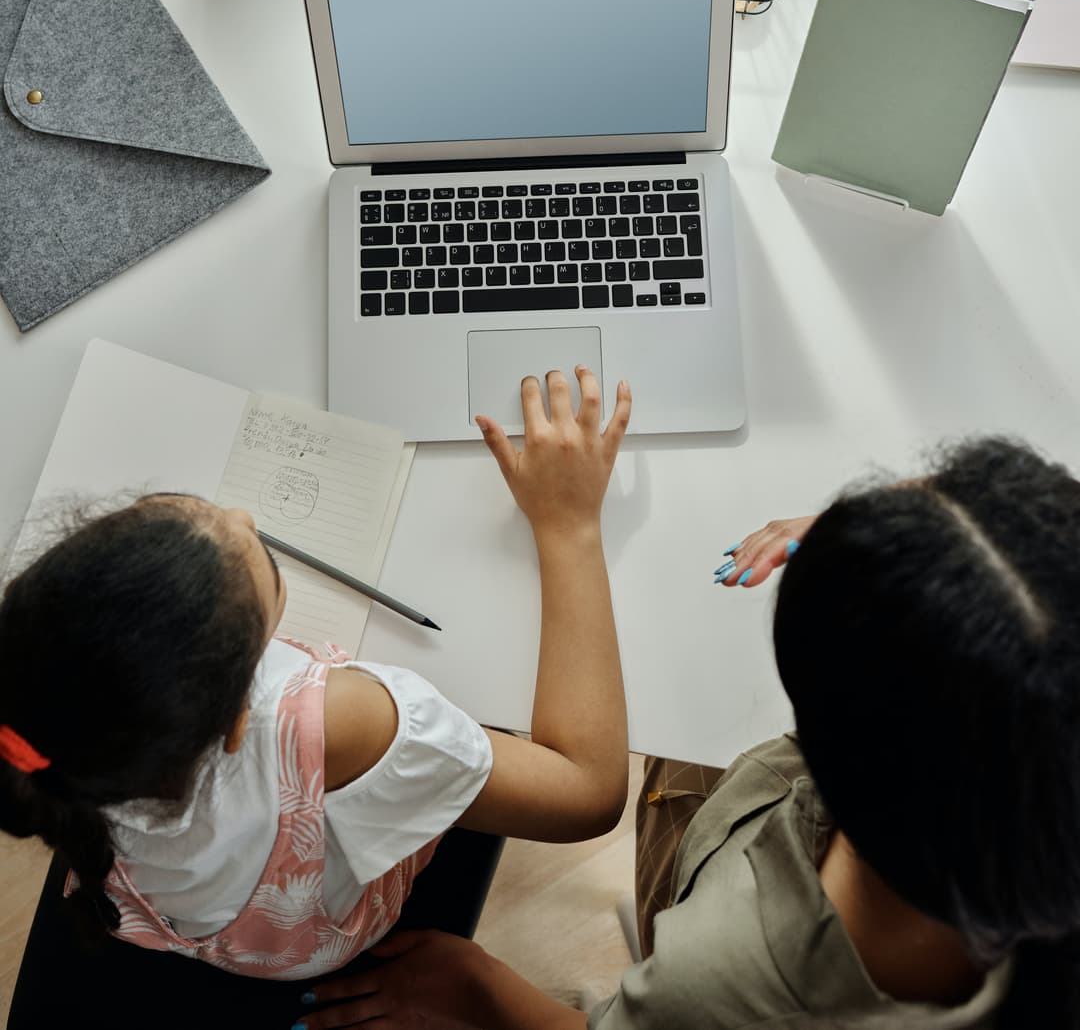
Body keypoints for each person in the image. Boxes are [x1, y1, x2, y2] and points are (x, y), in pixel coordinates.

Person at [295, 437, 1080, 1029]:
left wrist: (479, 990)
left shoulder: (721, 976)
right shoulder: (1007, 792)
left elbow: (590, 806)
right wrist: (924, 558)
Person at [0, 367, 631, 990]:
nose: (244, 516)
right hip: (305, 929)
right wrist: (568, 525)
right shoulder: (338, 721)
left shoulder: (56, 740)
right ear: (238, 719)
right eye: (261, 572)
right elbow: (586, 792)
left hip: (173, 911)